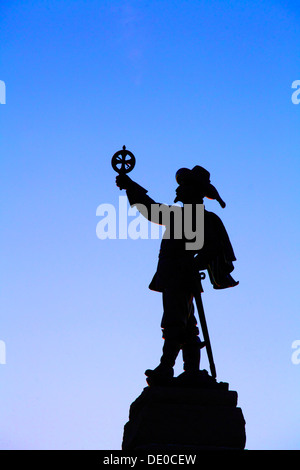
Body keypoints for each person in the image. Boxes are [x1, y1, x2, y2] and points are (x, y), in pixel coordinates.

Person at [116, 165, 238, 385]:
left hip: (180, 276)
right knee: (187, 325)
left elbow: (211, 247)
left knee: (174, 322)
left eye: (183, 187)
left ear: (195, 191)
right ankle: (191, 369)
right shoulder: (178, 215)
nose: (178, 190)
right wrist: (130, 186)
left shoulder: (201, 218)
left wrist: (193, 265)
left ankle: (166, 367)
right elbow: (149, 208)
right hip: (174, 275)